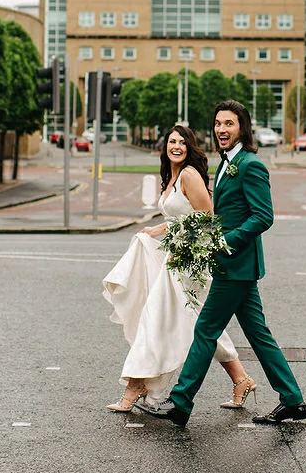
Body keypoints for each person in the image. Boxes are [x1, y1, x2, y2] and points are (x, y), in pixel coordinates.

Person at [142, 100, 306, 428]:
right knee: (259, 335)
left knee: (205, 329)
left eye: (228, 123)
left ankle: (180, 402)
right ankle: (292, 400)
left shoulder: (249, 164)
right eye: (218, 123)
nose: (221, 129)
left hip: (236, 263)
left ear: (242, 128)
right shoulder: (227, 162)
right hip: (235, 266)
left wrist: (225, 243)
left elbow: (263, 216)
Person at [101, 125, 257, 413]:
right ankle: (241, 379)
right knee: (201, 326)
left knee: (157, 320)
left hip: (188, 265)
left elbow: (207, 218)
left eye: (182, 142)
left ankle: (135, 386)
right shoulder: (171, 176)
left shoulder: (188, 174)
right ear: (165, 146)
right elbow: (179, 218)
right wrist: (155, 231)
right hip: (176, 260)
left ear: (189, 148)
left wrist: (183, 247)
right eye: (172, 141)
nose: (176, 146)